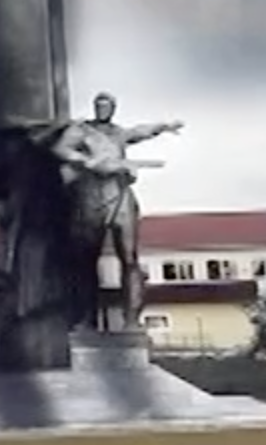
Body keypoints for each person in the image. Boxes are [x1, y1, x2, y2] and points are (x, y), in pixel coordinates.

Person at [49, 92, 181, 333]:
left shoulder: (118, 133)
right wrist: (84, 160)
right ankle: (86, 319)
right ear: (95, 108)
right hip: (91, 194)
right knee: (86, 260)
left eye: (108, 106)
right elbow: (60, 149)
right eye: (100, 106)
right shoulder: (82, 130)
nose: (104, 110)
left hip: (119, 193)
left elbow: (138, 132)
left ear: (113, 109)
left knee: (129, 258)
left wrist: (162, 127)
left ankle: (131, 320)